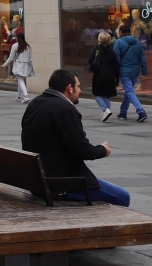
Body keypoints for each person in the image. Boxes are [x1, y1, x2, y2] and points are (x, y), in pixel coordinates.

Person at [21, 69, 130, 207]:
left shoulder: (35, 103)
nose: (80, 90)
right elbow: (81, 149)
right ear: (70, 88)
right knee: (122, 197)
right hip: (61, 185)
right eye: (78, 86)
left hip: (38, 181)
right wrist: (103, 150)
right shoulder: (65, 109)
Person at [112, 24, 149, 123]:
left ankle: (141, 111)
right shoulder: (138, 43)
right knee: (129, 91)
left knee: (129, 91)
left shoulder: (118, 42)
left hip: (124, 70)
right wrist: (144, 72)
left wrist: (115, 72)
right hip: (135, 71)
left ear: (120, 32)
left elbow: (116, 59)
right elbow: (143, 59)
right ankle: (123, 112)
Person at [86, 31, 120, 122]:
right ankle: (107, 114)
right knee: (106, 95)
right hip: (110, 75)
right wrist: (117, 78)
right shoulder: (111, 51)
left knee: (96, 93)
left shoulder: (96, 49)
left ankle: (105, 109)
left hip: (99, 74)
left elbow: (90, 60)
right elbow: (116, 65)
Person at [3, 27, 34, 103]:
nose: (15, 38)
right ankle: (19, 96)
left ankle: (26, 96)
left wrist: (4, 65)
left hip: (18, 65)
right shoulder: (28, 46)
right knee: (21, 80)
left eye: (16, 37)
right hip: (26, 66)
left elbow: (11, 58)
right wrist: (30, 67)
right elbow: (30, 58)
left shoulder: (15, 46)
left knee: (20, 80)